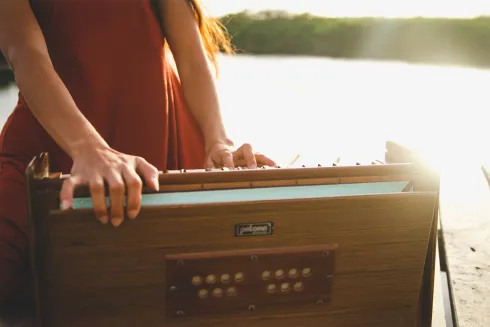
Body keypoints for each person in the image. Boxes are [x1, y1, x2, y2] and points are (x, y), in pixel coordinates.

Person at [0, 0, 276, 307]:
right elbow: (25, 53)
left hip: (160, 157)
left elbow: (192, 57)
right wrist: (89, 148)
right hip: (45, 157)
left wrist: (218, 141)